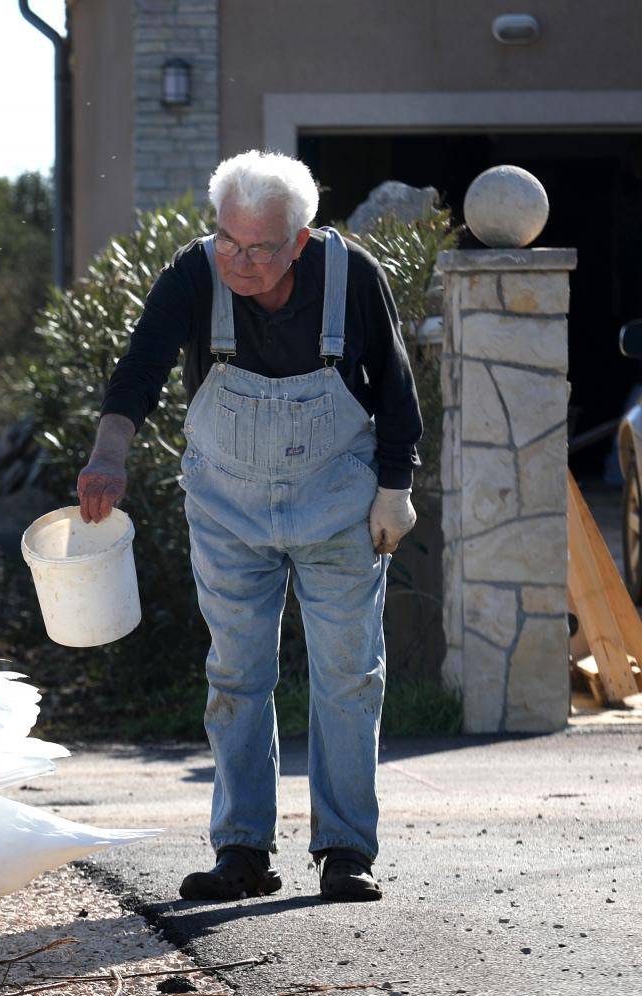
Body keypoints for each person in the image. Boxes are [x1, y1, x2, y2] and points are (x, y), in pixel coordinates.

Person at [77, 151, 422, 903]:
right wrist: (109, 454)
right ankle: (241, 850)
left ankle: (344, 850)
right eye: (227, 240)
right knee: (236, 673)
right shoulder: (194, 273)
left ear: (299, 239)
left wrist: (395, 490)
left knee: (347, 674)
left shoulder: (352, 277)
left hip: (341, 503)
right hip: (229, 508)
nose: (238, 260)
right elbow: (140, 365)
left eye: (259, 247)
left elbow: (396, 391)